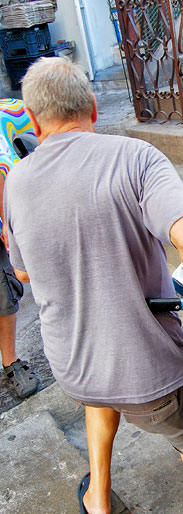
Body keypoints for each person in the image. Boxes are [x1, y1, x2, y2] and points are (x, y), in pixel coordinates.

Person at [4, 56, 183, 514]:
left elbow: (23, 273)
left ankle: (97, 500)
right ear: (93, 106)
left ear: (30, 117)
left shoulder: (17, 182)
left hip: (73, 365)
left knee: (100, 397)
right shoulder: (134, 159)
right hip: (151, 374)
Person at [0, 99, 38, 398]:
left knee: (4, 293)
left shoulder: (12, 110)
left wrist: (7, 226)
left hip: (5, 220)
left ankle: (10, 361)